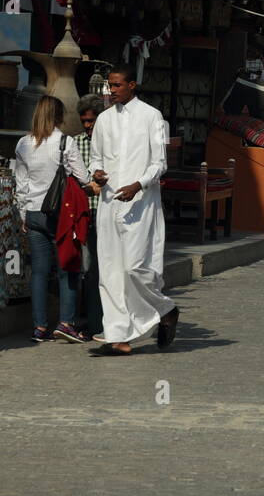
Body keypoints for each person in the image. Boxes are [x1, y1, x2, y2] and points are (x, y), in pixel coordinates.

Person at [89, 66, 179, 356]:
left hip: (140, 203)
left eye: (116, 85)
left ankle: (165, 309)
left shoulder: (152, 117)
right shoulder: (103, 120)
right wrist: (97, 173)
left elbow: (159, 163)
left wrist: (138, 185)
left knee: (135, 267)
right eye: (109, 86)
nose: (111, 90)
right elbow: (95, 158)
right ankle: (118, 337)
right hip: (109, 201)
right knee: (111, 270)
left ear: (131, 85)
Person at [14, 95, 92, 343]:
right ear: (59, 116)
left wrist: (23, 214)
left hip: (34, 214)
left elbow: (21, 184)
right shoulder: (65, 143)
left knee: (38, 272)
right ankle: (65, 323)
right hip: (60, 215)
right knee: (66, 269)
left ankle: (39, 327)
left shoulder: (24, 143)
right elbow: (82, 176)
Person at [75, 94, 105, 339]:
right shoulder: (76, 143)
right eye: (84, 121)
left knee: (100, 271)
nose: (87, 125)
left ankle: (98, 323)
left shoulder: (110, 143)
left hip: (106, 214)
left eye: (91, 120)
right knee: (86, 270)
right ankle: (88, 321)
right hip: (84, 214)